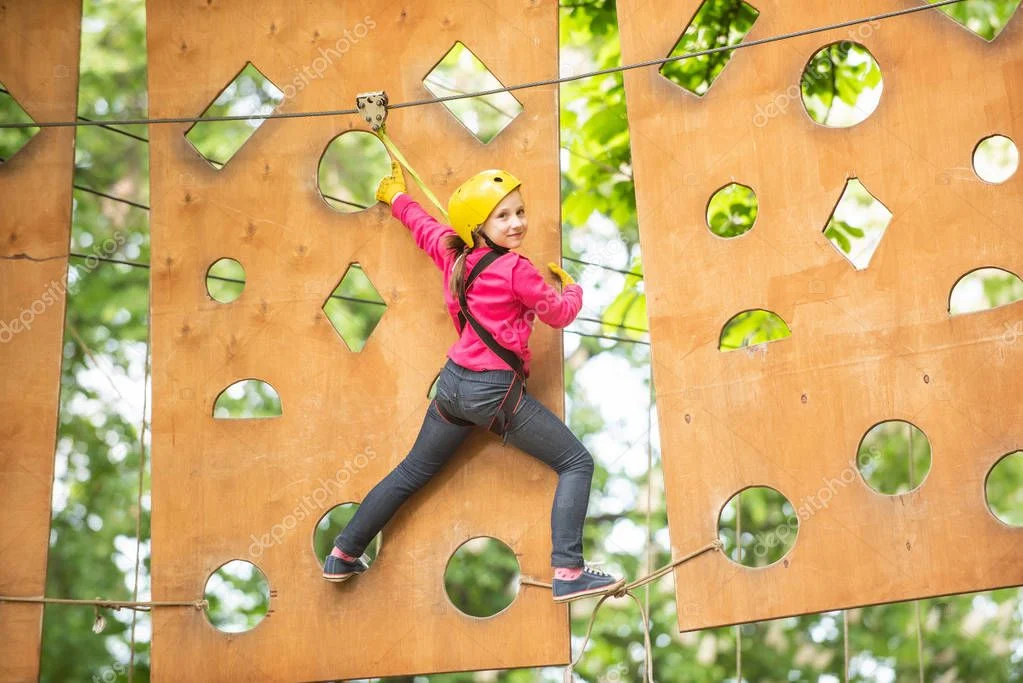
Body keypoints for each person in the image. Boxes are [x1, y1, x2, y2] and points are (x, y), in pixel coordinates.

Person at [321, 161, 625, 602]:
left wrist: (395, 198)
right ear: (478, 225)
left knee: (411, 472)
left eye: (519, 212)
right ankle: (569, 571)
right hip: (493, 393)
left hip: (452, 387)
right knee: (576, 463)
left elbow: (424, 226)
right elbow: (558, 314)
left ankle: (342, 554)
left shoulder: (453, 255)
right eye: (502, 216)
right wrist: (572, 288)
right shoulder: (516, 270)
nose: (517, 222)